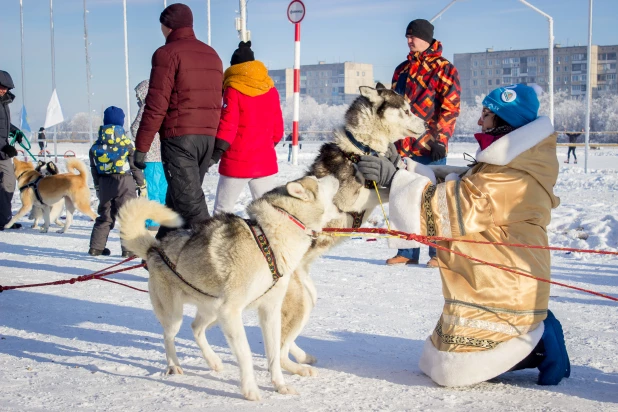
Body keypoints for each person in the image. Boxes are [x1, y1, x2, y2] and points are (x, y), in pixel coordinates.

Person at [357, 84, 570, 387]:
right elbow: (462, 179)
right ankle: (533, 333)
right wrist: (405, 168)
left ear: (506, 121)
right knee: (450, 360)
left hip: (504, 283)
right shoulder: (515, 160)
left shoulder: (516, 174)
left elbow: (458, 205)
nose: (480, 122)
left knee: (458, 369)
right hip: (490, 275)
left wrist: (395, 179)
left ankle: (540, 338)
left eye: (486, 115)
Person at [134, 3, 223, 239]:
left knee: (195, 214)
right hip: (207, 139)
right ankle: (158, 258)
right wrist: (217, 145)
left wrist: (141, 146)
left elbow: (156, 105)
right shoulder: (212, 54)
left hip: (180, 140)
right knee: (176, 203)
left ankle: (216, 267)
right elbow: (218, 102)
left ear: (167, 25)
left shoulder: (166, 53)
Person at [387, 19, 461, 268]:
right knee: (403, 197)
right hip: (403, 145)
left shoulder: (444, 68)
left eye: (414, 36)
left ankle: (438, 253)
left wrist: (441, 138)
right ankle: (406, 251)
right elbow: (393, 105)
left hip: (431, 146)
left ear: (427, 38)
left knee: (434, 199)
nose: (410, 40)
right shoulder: (402, 69)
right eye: (407, 36)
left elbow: (450, 107)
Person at [212, 41, 284, 214]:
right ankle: (269, 241)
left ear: (234, 67)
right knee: (268, 213)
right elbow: (278, 129)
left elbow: (228, 125)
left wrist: (217, 150)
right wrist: (265, 147)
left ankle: (220, 242)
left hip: (236, 163)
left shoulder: (233, 89)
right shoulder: (270, 89)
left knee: (223, 211)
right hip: (264, 162)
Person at [89, 106, 146, 257]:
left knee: (105, 216)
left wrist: (97, 186)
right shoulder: (127, 144)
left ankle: (96, 248)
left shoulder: (96, 145)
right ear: (121, 123)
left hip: (104, 182)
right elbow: (135, 167)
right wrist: (141, 184)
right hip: (124, 183)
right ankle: (128, 249)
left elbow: (93, 168)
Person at [131, 79, 168, 230]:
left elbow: (135, 128)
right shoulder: (165, 104)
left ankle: (153, 222)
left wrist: (140, 143)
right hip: (166, 155)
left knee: (152, 189)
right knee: (164, 189)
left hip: (151, 156)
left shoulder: (147, 107)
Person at [0, 70, 25, 231]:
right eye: (1, 87)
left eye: (6, 88)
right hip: (2, 151)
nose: (4, 90)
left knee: (7, 184)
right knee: (7, 183)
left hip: (3, 151)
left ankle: (4, 219)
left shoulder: (3, 102)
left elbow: (3, 125)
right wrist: (4, 149)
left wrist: (15, 130)